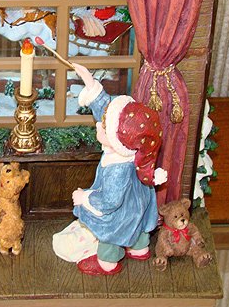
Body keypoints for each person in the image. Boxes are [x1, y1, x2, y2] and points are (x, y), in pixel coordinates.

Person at [64, 63, 167, 275]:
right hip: (137, 202)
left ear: (116, 141)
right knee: (138, 219)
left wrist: (84, 198)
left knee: (112, 228)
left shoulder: (116, 169)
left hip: (121, 210)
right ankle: (139, 248)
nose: (99, 125)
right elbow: (108, 112)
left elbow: (110, 202)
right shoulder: (131, 145)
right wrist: (90, 83)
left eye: (104, 128)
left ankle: (107, 262)